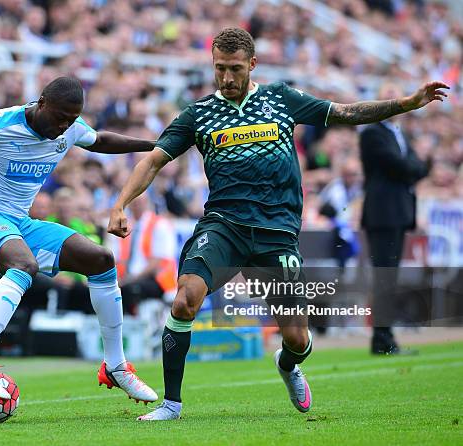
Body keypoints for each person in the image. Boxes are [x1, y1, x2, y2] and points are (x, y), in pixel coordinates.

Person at [107, 27, 449, 421]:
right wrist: (121, 203)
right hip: (224, 227)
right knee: (185, 299)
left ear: (252, 64)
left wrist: (405, 104)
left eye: (235, 68)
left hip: (276, 235)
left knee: (297, 339)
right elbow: (153, 160)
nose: (227, 78)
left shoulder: (280, 99)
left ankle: (287, 365)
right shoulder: (198, 114)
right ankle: (171, 404)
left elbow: (344, 113)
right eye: (220, 68)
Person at [0, 76, 158, 403]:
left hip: (18, 224)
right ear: (41, 103)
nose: (65, 126)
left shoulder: (71, 126)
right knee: (25, 264)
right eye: (60, 117)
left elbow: (100, 141)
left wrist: (155, 146)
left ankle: (115, 366)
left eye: (72, 119)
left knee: (101, 260)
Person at [360, 82, 432, 355]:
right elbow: (403, 166)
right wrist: (416, 166)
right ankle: (382, 339)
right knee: (385, 277)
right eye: (386, 96)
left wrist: (415, 166)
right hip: (383, 214)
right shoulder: (372, 133)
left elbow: (419, 167)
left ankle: (384, 337)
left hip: (397, 214)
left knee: (389, 277)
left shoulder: (396, 133)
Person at [113, 192, 177, 314]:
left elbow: (156, 263)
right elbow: (119, 257)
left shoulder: (159, 225)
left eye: (140, 202)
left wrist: (130, 279)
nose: (136, 206)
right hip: (129, 276)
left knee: (129, 289)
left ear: (147, 203)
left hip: (156, 279)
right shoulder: (125, 225)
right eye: (134, 202)